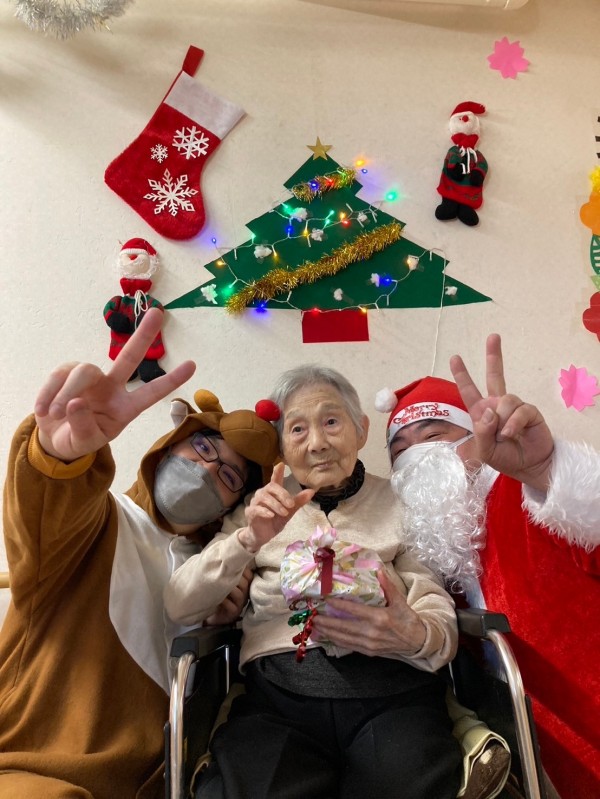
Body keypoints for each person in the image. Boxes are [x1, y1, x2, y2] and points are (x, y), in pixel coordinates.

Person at [0, 308, 280, 799]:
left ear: (233, 505)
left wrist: (222, 620)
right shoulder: (98, 519)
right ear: (169, 446)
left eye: (229, 476)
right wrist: (60, 455)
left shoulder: (217, 569)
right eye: (203, 449)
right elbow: (47, 508)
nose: (207, 471)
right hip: (33, 766)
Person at [165, 364, 462, 799]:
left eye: (331, 421)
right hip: (278, 701)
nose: (318, 442)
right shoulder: (258, 508)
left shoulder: (400, 502)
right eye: (298, 429)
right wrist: (248, 539)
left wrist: (417, 634)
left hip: (395, 694)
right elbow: (180, 602)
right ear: (282, 447)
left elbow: (435, 604)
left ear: (361, 430)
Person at [378, 333, 600, 799]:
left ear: (475, 435)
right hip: (541, 755)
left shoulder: (527, 493)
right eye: (400, 451)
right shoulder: (431, 548)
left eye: (433, 436)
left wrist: (547, 470)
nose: (417, 458)